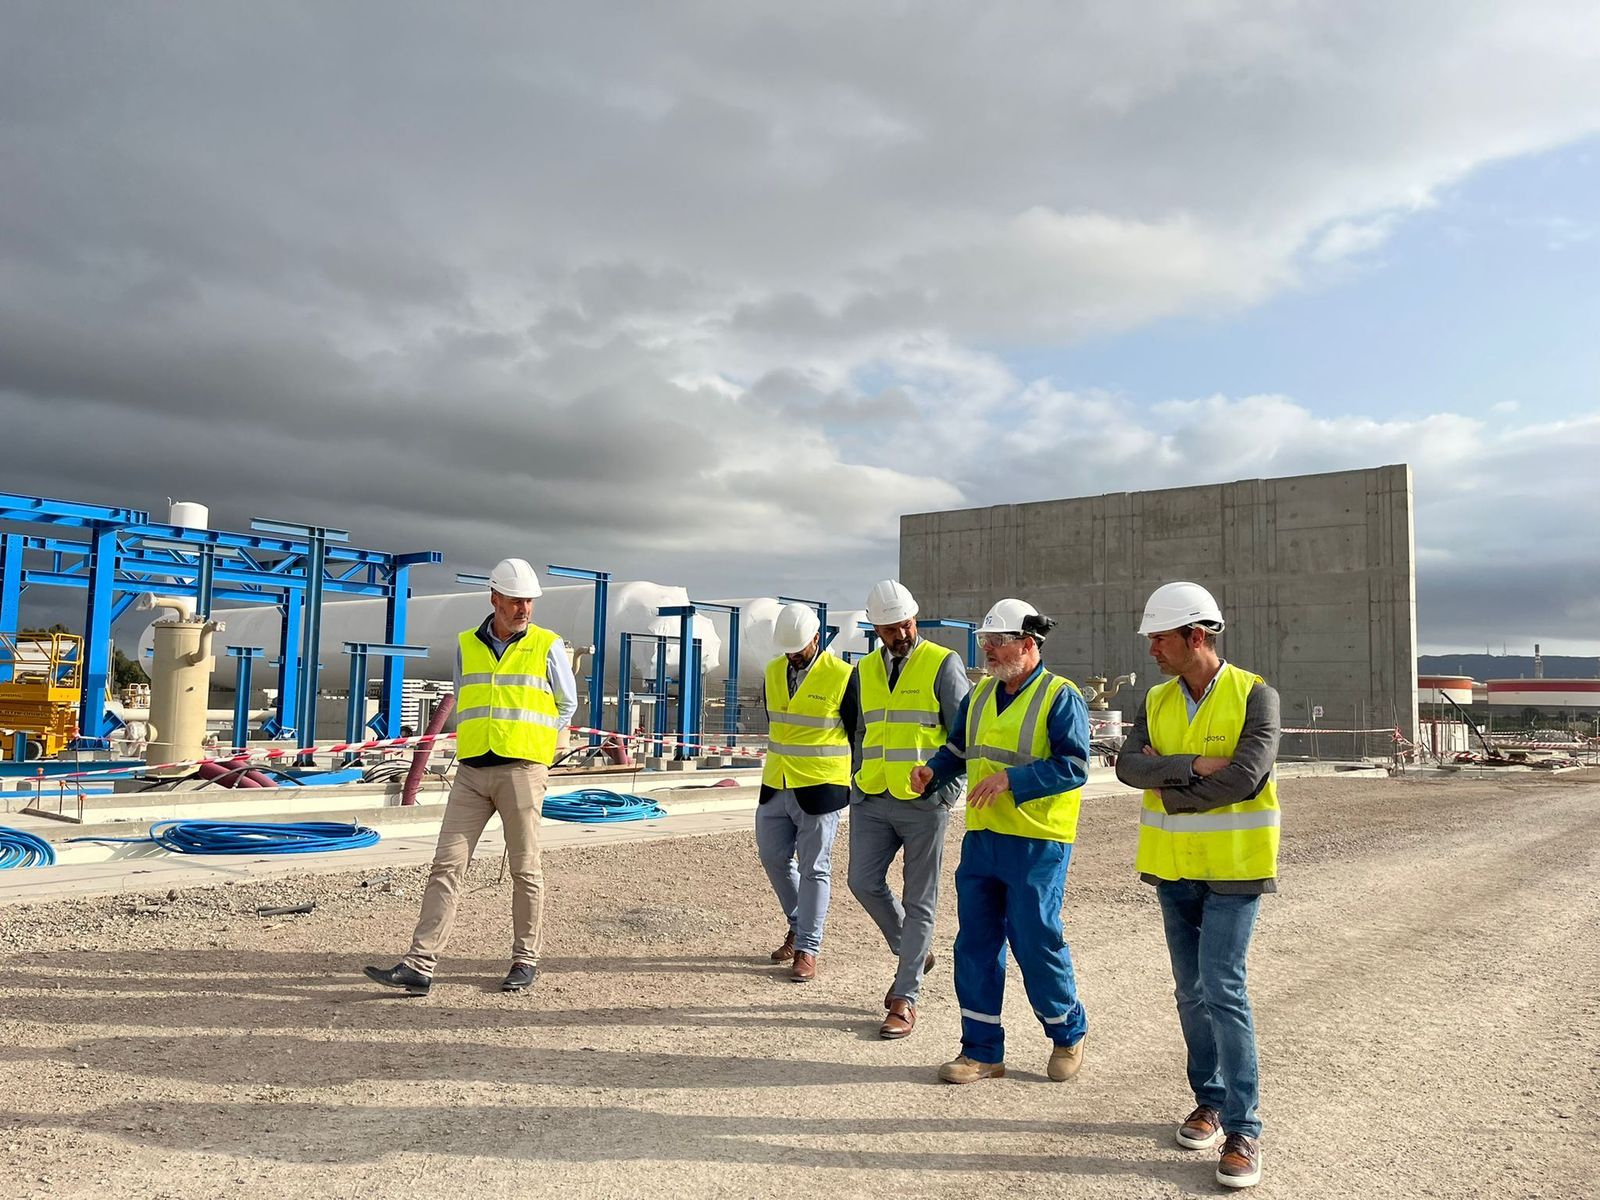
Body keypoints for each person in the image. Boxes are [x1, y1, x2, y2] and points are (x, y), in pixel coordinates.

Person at [1114, 581, 1280, 1190]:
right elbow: (1128, 766)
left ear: (1196, 636)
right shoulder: (1155, 699)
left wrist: (1170, 788)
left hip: (1236, 867)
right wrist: (1189, 768)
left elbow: (1245, 777)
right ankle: (1208, 1100)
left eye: (1160, 638)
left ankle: (1243, 1127)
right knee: (1190, 989)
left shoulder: (1255, 696)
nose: (1152, 649)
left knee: (1222, 987)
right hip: (1173, 867)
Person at [365, 558, 577, 997]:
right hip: (472, 770)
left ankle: (525, 959)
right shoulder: (467, 644)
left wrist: (544, 748)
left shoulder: (548, 644)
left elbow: (567, 704)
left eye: (530, 602)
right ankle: (419, 965)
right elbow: (465, 695)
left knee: (525, 868)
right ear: (495, 598)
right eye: (516, 601)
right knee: (446, 865)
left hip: (522, 769)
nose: (524, 609)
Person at [911, 598, 1091, 1084]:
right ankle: (982, 1051)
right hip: (984, 838)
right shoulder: (981, 695)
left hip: (1038, 843)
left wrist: (1014, 781)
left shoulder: (1061, 696)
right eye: (985, 642)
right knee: (975, 943)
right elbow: (957, 747)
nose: (987, 650)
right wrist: (933, 769)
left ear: (1028, 645)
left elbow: (1074, 766)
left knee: (1036, 941)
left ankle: (1067, 1032)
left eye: (996, 642)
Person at [847, 579, 970, 1039]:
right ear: (875, 628)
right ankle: (913, 951)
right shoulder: (864, 671)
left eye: (904, 624)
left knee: (921, 900)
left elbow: (963, 734)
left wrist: (946, 790)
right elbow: (861, 729)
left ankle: (904, 997)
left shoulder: (943, 663)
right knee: (861, 881)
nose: (899, 634)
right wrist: (858, 779)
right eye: (888, 628)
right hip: (872, 797)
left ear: (914, 617)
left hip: (924, 802)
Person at [756, 603, 858, 982]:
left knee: (815, 867)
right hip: (777, 783)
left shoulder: (844, 676)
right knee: (772, 857)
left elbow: (855, 732)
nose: (793, 655)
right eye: (788, 649)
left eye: (799, 647)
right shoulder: (772, 671)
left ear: (817, 638)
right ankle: (798, 924)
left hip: (821, 787)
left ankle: (807, 948)